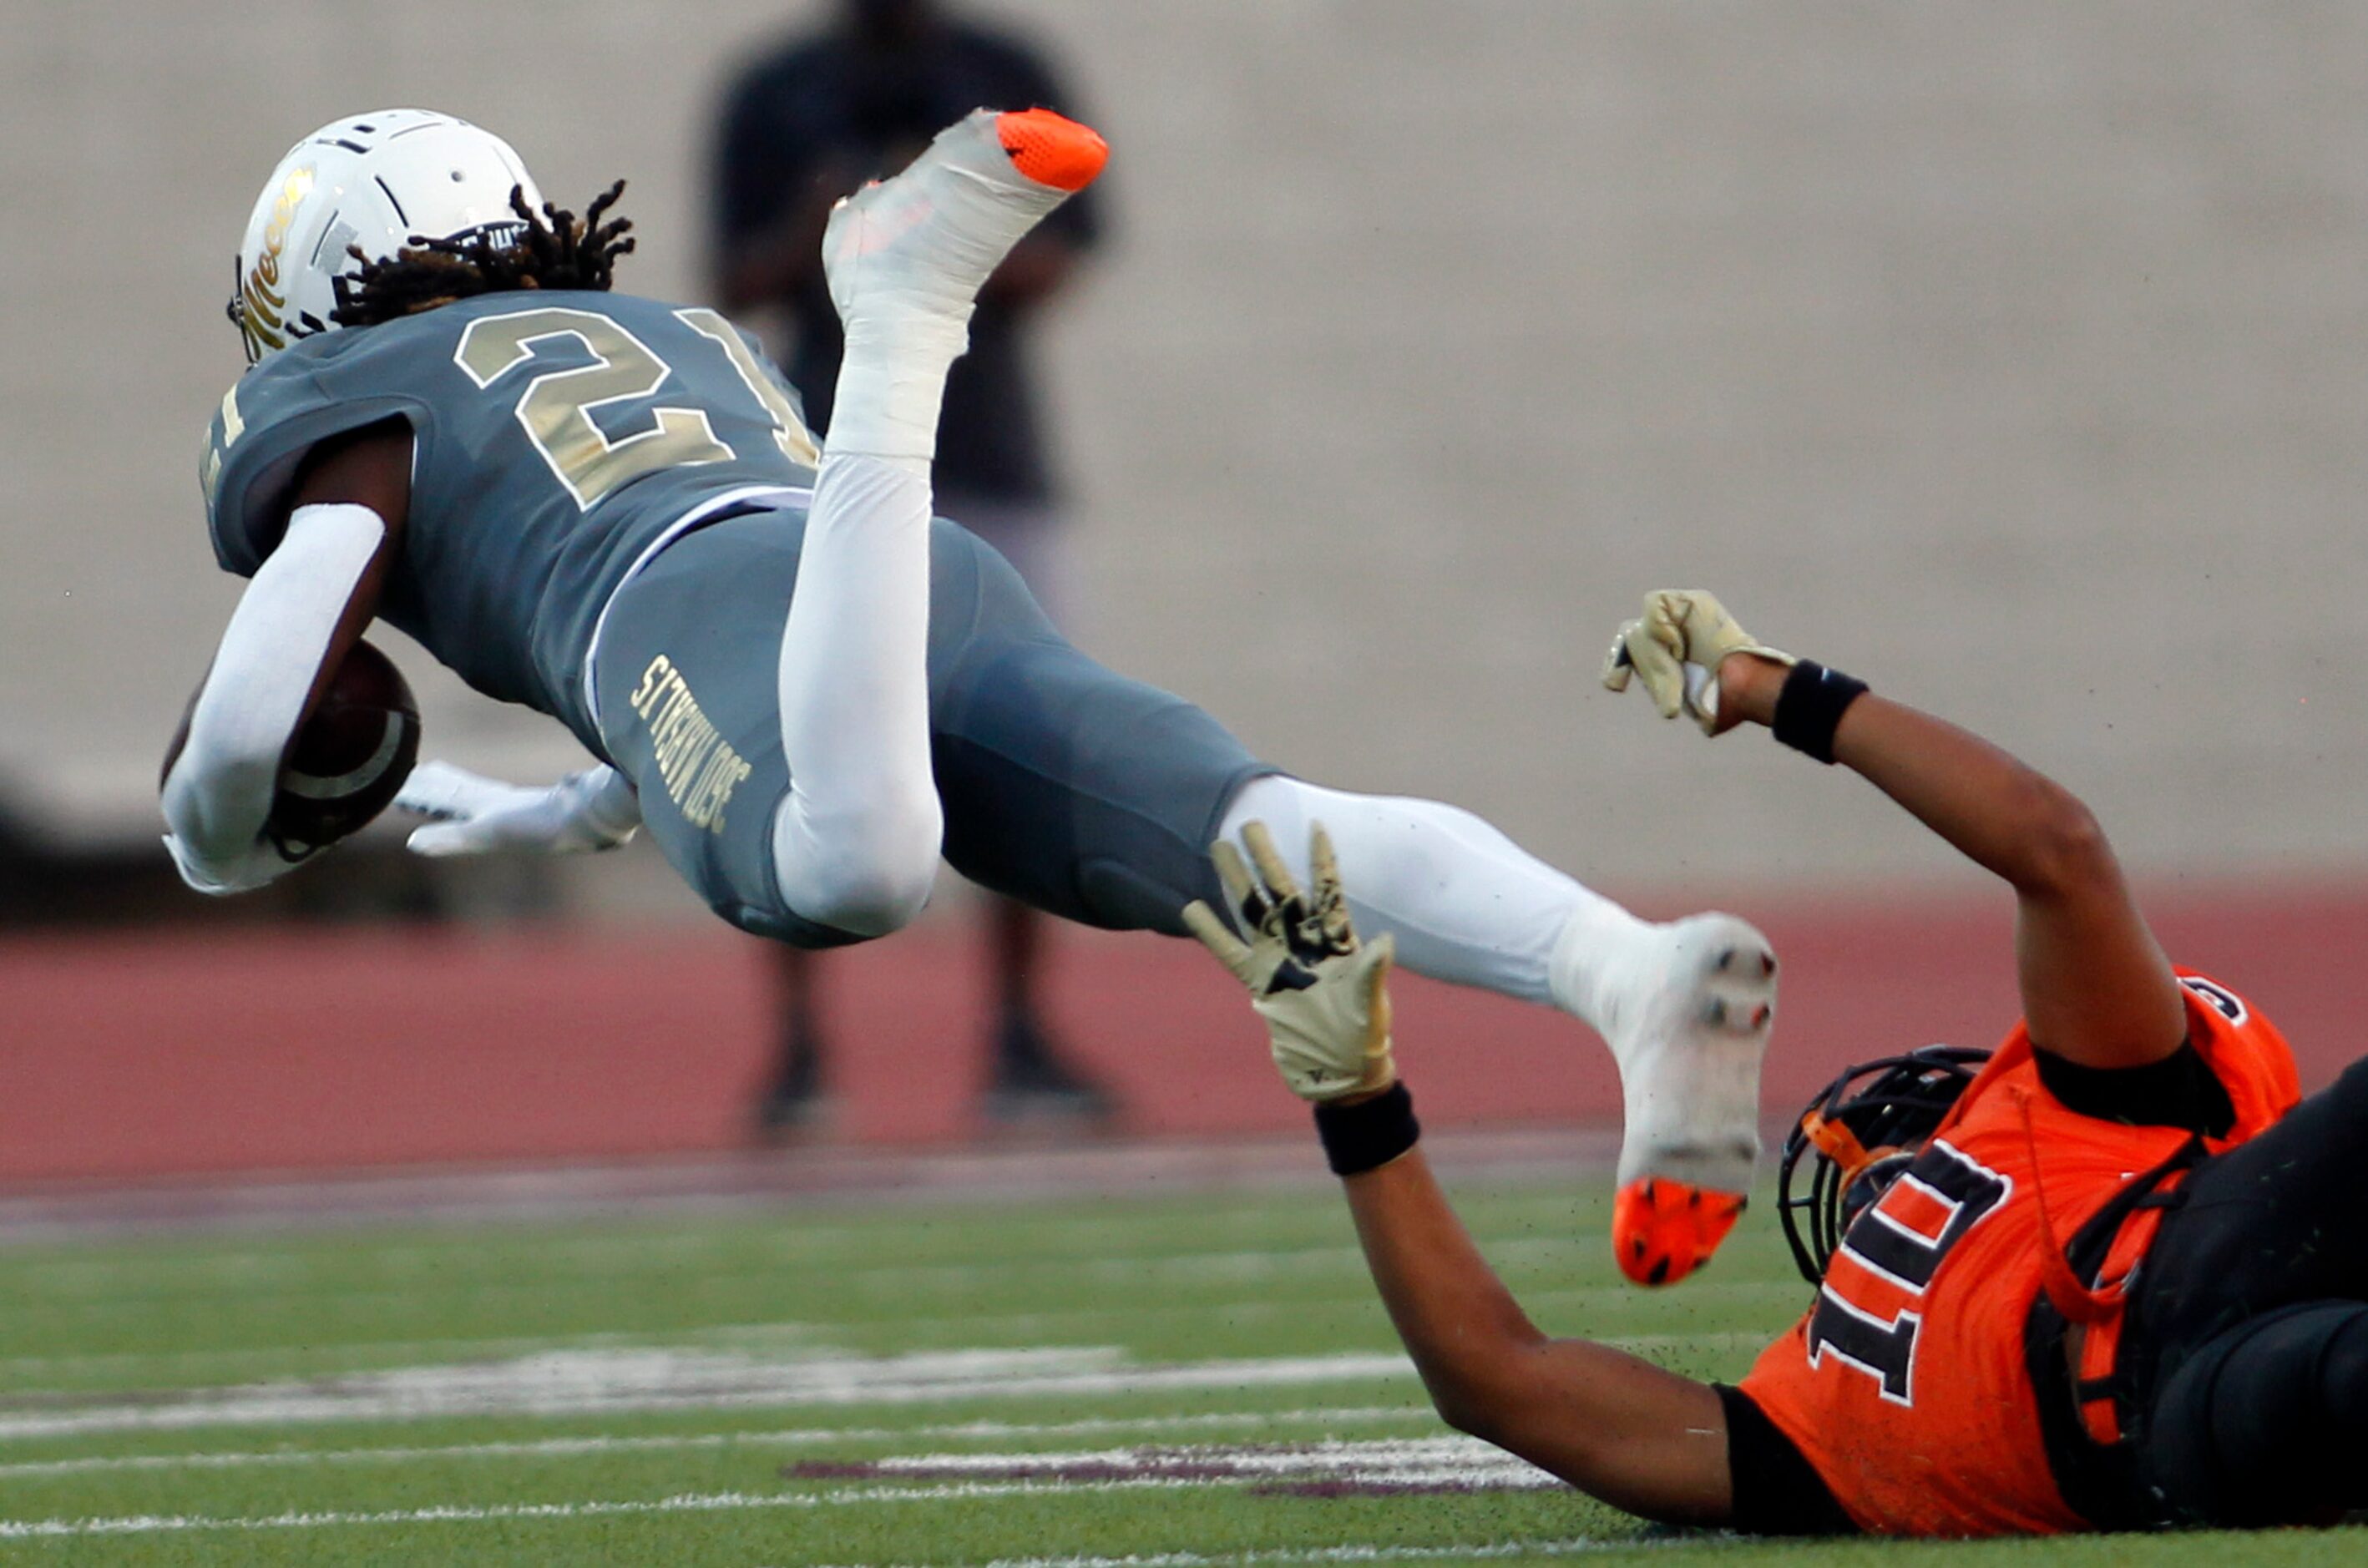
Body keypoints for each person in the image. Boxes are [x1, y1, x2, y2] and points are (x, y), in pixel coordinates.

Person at [161, 108, 1774, 1285]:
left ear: (322, 279)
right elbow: (740, 611)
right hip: (890, 561)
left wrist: (220, 843)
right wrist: (579, 793)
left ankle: (906, 319)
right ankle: (1632, 973)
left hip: (718, 601)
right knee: (1258, 834)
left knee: (850, 870)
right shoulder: (673, 331)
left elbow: (249, 723)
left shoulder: (351, 395)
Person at [1190, 587, 2362, 1536]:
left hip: (2190, 1320)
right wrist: (1357, 1096)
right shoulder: (1812, 1414)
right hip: (2176, 1374)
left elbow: (2056, 844)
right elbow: (1497, 1378)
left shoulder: (2071, 1127)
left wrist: (1359, 1102)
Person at [707, 0, 1113, 1130]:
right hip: (820, 459)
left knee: (1028, 743)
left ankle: (1022, 1038)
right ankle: (800, 1054)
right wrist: (830, 226)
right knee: (792, 740)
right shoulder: (775, 88)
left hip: (987, 454)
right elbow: (732, 278)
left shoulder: (1005, 69)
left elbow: (1071, 252)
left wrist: (941, 235)